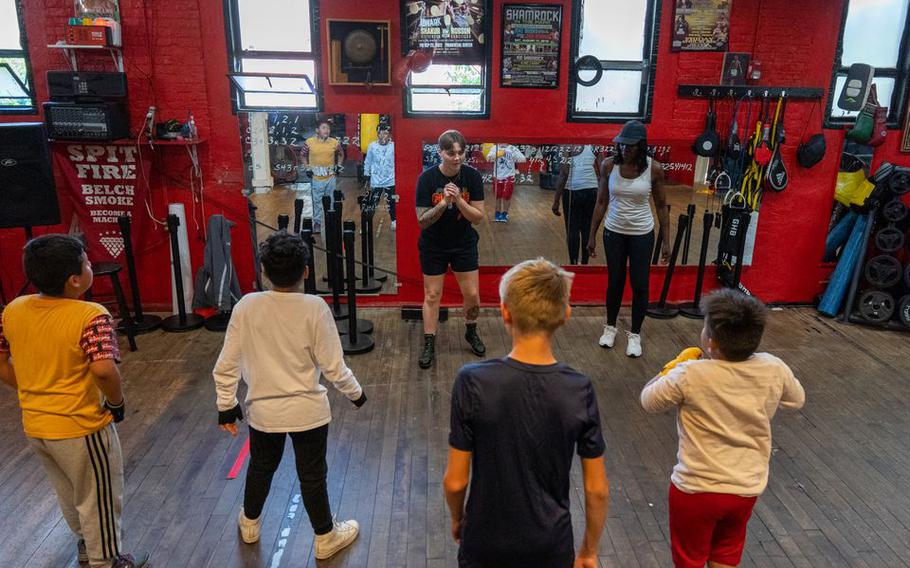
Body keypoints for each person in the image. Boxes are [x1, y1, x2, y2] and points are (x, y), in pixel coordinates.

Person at [443, 258, 609, 568]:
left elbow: (455, 482)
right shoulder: (579, 389)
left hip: (484, 541)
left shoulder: (472, 381)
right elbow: (596, 489)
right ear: (566, 315)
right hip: (550, 545)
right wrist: (589, 550)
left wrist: (458, 517)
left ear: (505, 312)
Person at [213, 231, 367, 560]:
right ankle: (325, 537)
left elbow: (227, 364)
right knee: (312, 474)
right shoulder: (315, 308)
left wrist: (227, 406)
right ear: (306, 271)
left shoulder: (247, 306)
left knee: (261, 467)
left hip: (264, 414)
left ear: (263, 272)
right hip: (308, 413)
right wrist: (356, 394)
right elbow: (333, 365)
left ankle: (250, 523)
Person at [0, 235, 148, 568]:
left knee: (69, 492)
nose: (91, 265)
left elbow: (2, 363)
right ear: (74, 279)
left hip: (36, 426)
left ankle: (87, 546)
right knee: (101, 498)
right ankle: (106, 560)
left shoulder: (13, 309)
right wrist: (116, 402)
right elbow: (104, 370)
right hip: (81, 427)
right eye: (87, 262)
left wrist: (35, 389)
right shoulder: (91, 315)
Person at [640, 289, 805, 568]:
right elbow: (796, 399)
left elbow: (648, 400)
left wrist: (673, 367)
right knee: (726, 554)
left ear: (711, 343)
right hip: (745, 488)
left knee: (690, 559)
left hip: (696, 489)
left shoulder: (690, 373)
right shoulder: (773, 367)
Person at [587, 120, 670, 357]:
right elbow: (601, 201)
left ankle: (635, 334)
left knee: (640, 285)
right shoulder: (608, 166)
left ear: (641, 146)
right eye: (622, 144)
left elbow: (662, 205)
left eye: (630, 146)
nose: (625, 149)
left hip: (642, 234)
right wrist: (592, 234)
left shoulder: (654, 169)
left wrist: (666, 240)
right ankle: (610, 327)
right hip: (614, 232)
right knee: (615, 282)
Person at [415, 130, 486, 369]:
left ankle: (471, 330)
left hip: (463, 243)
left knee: (473, 295)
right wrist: (444, 202)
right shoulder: (427, 179)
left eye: (460, 152)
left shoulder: (473, 177)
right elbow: (422, 221)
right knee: (432, 295)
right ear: (440, 152)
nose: (457, 157)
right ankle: (429, 341)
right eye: (451, 152)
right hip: (434, 244)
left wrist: (459, 200)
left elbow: (477, 217)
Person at [552, 144, 600, 265]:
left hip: (572, 191)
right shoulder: (595, 146)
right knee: (587, 229)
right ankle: (584, 263)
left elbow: (564, 172)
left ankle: (573, 263)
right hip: (592, 190)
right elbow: (603, 170)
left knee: (572, 230)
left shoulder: (567, 146)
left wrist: (556, 200)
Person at [302, 118, 344, 233]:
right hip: (316, 178)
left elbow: (341, 154)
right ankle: (317, 223)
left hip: (330, 177)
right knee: (317, 201)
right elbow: (303, 155)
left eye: (328, 128)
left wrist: (338, 166)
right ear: (317, 130)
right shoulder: (309, 142)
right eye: (324, 128)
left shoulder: (334, 142)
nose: (327, 130)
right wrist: (307, 168)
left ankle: (330, 222)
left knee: (330, 200)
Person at [363, 124, 397, 230]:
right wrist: (366, 175)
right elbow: (368, 161)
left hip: (390, 180)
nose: (383, 135)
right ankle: (367, 223)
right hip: (376, 180)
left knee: (392, 201)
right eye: (381, 132)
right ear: (378, 134)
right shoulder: (372, 146)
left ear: (389, 134)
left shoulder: (394, 146)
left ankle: (394, 221)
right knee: (372, 202)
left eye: (386, 133)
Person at [485, 143, 527, 223]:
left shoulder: (512, 148)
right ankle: (497, 213)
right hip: (497, 175)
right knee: (497, 196)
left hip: (509, 175)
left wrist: (514, 156)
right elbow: (488, 158)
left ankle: (505, 213)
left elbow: (523, 159)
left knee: (507, 196)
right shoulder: (495, 147)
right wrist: (496, 154)